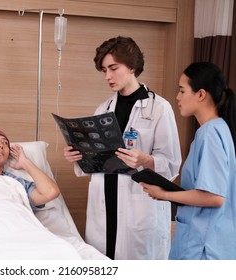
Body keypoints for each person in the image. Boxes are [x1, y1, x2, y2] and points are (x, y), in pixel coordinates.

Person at [63, 36, 182, 259]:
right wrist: (78, 156)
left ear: (131, 66)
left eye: (113, 68)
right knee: (104, 260)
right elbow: (95, 160)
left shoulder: (158, 108)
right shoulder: (103, 108)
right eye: (104, 70)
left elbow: (172, 163)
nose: (107, 76)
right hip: (104, 201)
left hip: (139, 204)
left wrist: (145, 160)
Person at [141, 62, 236, 259]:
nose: (177, 97)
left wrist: (165, 194)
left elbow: (214, 197)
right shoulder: (217, 130)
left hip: (203, 247)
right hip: (207, 240)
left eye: (182, 91)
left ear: (201, 94)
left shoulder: (210, 133)